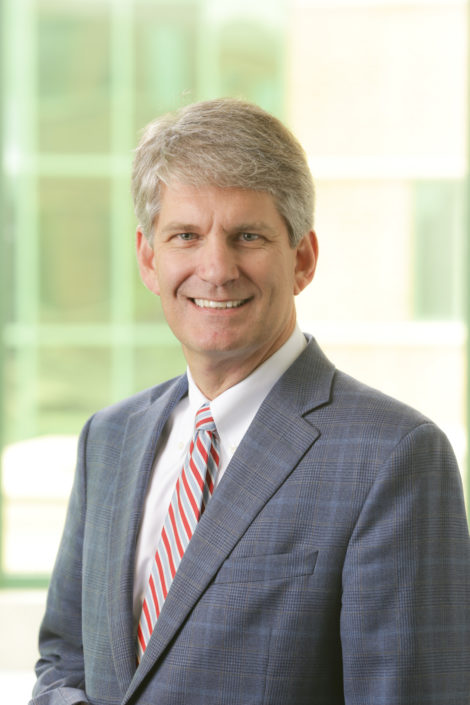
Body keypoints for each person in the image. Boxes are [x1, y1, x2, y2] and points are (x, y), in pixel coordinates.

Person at [31, 98, 470, 705]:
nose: (216, 269)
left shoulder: (393, 458)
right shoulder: (108, 440)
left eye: (248, 236)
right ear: (149, 258)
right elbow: (63, 661)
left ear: (303, 259)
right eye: (186, 236)